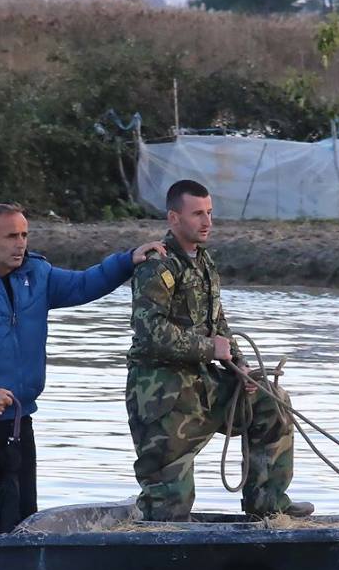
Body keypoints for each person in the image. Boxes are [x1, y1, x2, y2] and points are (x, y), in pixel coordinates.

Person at [0, 204, 165, 533]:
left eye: (24, 235)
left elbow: (82, 285)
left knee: (25, 517)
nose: (20, 243)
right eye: (10, 236)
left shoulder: (38, 275)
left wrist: (127, 261)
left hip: (20, 422)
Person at [126, 180, 312, 522]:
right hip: (164, 395)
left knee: (272, 400)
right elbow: (150, 332)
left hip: (208, 385)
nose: (207, 221)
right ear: (174, 218)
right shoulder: (158, 265)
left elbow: (218, 322)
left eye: (209, 213)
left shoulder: (204, 263)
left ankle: (268, 505)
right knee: (169, 509)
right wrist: (210, 347)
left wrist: (237, 364)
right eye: (197, 214)